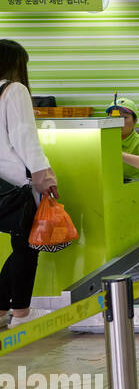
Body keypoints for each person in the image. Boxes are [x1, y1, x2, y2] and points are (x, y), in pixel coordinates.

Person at [0, 41, 58, 331]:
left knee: (19, 245)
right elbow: (25, 138)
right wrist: (44, 176)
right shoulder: (14, 90)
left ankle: (1, 311)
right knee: (26, 246)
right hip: (15, 185)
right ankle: (21, 314)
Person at [106, 96, 139, 180]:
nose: (118, 122)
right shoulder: (104, 139)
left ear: (135, 121)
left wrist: (118, 155)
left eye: (124, 117)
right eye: (114, 117)